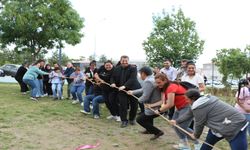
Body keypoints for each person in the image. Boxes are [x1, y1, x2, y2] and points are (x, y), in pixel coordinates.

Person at [171, 89, 248, 150]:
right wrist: (177, 121)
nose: (186, 101)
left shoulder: (199, 107)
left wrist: (195, 136)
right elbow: (188, 114)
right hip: (219, 126)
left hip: (236, 124)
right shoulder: (200, 102)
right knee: (208, 143)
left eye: (187, 99)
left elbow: (199, 124)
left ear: (193, 99)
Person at [148, 73, 200, 150]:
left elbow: (170, 104)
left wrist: (159, 110)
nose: (157, 84)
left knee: (182, 126)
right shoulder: (166, 87)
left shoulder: (171, 87)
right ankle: (184, 144)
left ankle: (198, 144)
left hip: (187, 107)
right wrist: (156, 107)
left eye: (159, 82)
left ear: (165, 80)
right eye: (156, 82)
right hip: (179, 108)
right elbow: (166, 102)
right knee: (174, 124)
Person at [127, 66, 163, 140]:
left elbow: (145, 96)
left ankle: (157, 132)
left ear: (143, 73)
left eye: (140, 74)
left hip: (154, 105)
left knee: (140, 119)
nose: (140, 76)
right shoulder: (151, 78)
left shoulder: (148, 81)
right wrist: (133, 92)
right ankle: (149, 130)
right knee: (148, 117)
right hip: (155, 104)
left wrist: (139, 100)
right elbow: (143, 89)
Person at [110, 55, 141, 128]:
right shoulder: (116, 69)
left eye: (126, 61)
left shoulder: (133, 68)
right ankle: (124, 120)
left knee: (134, 105)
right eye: (123, 61)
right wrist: (113, 83)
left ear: (128, 61)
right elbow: (112, 77)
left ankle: (132, 119)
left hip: (133, 89)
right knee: (122, 105)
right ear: (120, 61)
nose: (124, 62)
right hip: (121, 90)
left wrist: (125, 86)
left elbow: (132, 79)